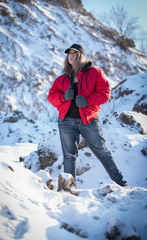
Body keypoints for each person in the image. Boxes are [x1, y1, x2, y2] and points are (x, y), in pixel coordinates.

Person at [48, 43, 127, 187]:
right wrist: (64, 97)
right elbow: (51, 96)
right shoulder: (62, 79)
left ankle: (121, 184)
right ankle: (68, 188)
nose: (71, 56)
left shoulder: (95, 73)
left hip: (89, 120)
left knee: (102, 151)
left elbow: (105, 93)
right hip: (66, 121)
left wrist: (87, 101)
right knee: (69, 156)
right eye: (69, 54)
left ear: (82, 56)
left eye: (74, 53)